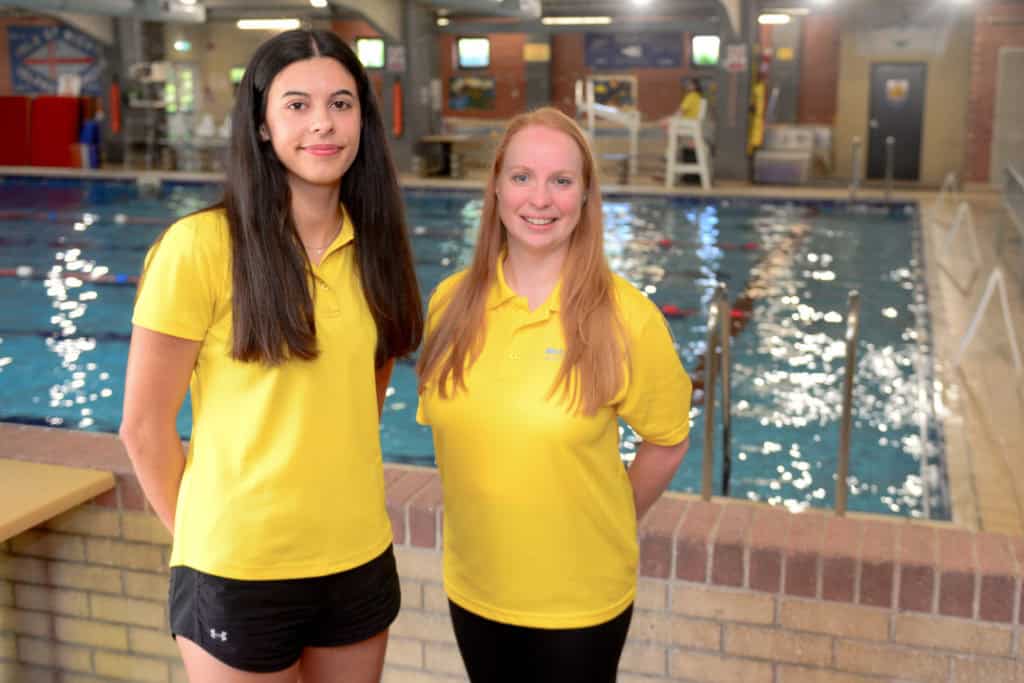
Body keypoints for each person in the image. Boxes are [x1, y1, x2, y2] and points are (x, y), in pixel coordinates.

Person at [118, 29, 423, 683]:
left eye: (342, 104)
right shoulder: (198, 248)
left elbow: (364, 394)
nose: (323, 123)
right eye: (297, 104)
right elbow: (144, 427)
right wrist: (205, 544)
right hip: (236, 567)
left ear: (364, 121)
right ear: (260, 123)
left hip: (356, 558)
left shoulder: (375, 249)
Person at [415, 107, 692, 683]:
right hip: (476, 588)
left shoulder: (626, 317)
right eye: (522, 177)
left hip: (579, 601)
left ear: (586, 196)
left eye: (561, 181)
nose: (540, 199)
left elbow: (666, 441)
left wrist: (609, 518)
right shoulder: (449, 304)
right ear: (496, 186)